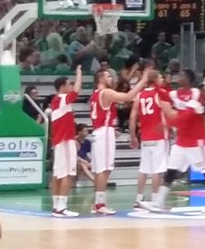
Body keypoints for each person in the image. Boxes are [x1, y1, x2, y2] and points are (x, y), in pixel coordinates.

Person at [153, 70, 205, 213]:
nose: (179, 77)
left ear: (189, 79)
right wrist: (153, 83)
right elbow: (164, 95)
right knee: (171, 170)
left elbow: (188, 115)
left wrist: (168, 124)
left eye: (182, 75)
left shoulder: (197, 94)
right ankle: (159, 202)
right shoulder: (176, 93)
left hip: (197, 140)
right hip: (181, 140)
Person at [89, 67, 150, 215]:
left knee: (99, 171)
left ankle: (97, 203)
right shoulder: (107, 92)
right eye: (108, 76)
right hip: (104, 132)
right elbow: (128, 97)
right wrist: (142, 81)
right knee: (105, 169)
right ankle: (100, 204)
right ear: (100, 79)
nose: (111, 78)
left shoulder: (95, 95)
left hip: (98, 131)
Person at [130, 71, 175, 210]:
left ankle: (139, 198)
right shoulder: (159, 94)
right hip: (159, 137)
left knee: (143, 169)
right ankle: (155, 200)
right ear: (155, 79)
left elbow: (132, 117)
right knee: (158, 170)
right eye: (160, 77)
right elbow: (169, 114)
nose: (162, 79)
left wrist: (132, 136)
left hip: (145, 137)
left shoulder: (139, 95)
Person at [50, 68, 83, 218]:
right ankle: (62, 207)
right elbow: (76, 92)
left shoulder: (55, 101)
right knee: (68, 174)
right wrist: (79, 74)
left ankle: (56, 205)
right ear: (63, 87)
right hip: (65, 141)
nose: (71, 86)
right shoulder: (62, 98)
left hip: (59, 141)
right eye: (69, 84)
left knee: (58, 174)